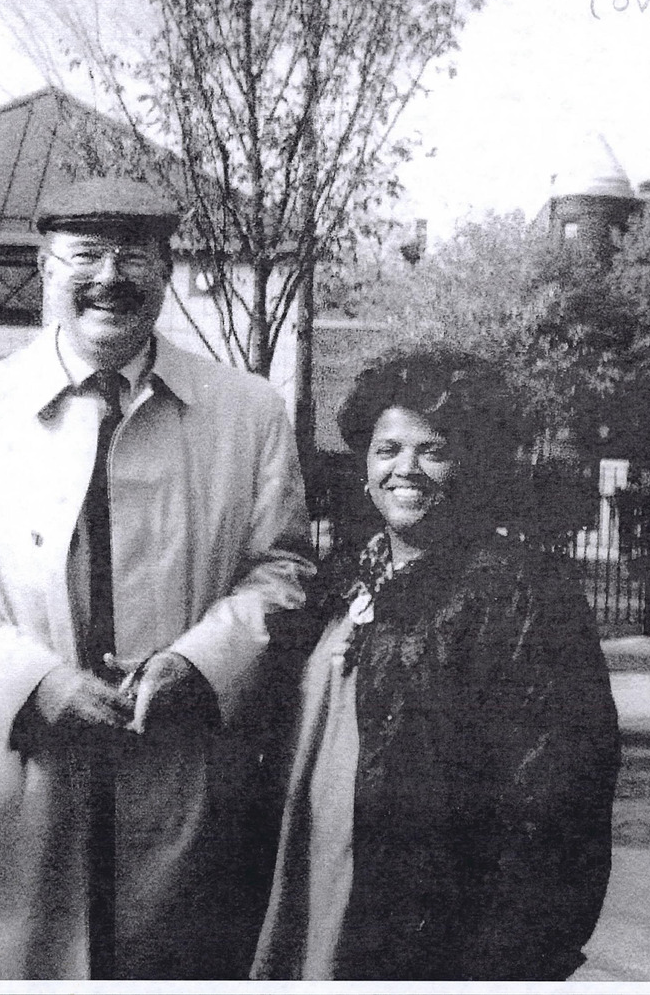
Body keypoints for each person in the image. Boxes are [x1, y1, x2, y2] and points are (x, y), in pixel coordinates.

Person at [0, 177, 314, 980]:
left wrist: (200, 664)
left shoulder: (249, 412)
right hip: (21, 767)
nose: (110, 278)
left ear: (168, 270)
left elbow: (283, 567)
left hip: (179, 763)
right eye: (85, 256)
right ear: (43, 268)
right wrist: (31, 683)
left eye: (135, 257)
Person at [252, 350, 621, 982]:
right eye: (387, 450)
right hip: (308, 888)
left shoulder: (522, 594)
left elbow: (560, 803)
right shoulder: (339, 580)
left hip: (428, 934)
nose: (405, 469)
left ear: (474, 465)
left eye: (434, 451)